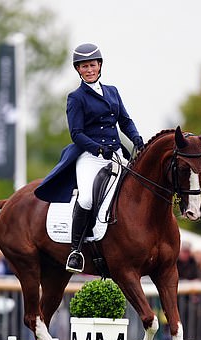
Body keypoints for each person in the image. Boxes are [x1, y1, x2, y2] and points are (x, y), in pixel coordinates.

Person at [34, 43, 144, 273]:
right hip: (90, 156)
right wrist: (97, 149)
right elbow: (76, 134)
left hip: (115, 154)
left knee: (136, 190)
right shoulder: (76, 97)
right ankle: (76, 251)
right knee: (85, 199)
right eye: (84, 66)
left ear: (99, 65)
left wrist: (136, 138)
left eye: (92, 65)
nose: (89, 69)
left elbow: (124, 120)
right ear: (79, 70)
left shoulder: (112, 91)